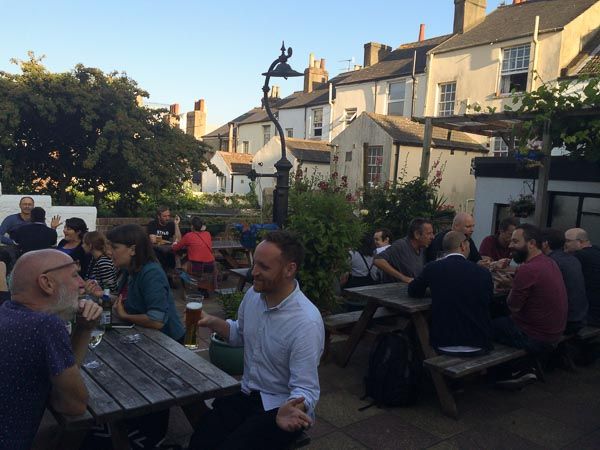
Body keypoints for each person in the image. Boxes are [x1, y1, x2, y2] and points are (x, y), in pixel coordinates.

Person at [189, 231, 324, 450]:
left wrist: (292, 407)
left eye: (264, 267)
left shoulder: (306, 322)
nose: (254, 272)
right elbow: (239, 334)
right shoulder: (253, 295)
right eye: (254, 264)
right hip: (247, 394)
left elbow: (306, 389)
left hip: (278, 408)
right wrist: (212, 321)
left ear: (290, 269)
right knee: (200, 440)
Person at [0, 249, 102, 449]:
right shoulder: (45, 325)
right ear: (47, 283)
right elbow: (73, 405)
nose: (82, 283)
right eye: (74, 275)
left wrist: (83, 328)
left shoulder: (7, 312)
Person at [409, 231, 494, 355]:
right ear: (463, 246)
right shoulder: (483, 273)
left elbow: (413, 290)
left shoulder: (432, 268)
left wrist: (434, 288)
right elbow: (488, 300)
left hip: (444, 342)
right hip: (479, 343)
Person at [493, 224, 567, 353]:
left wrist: (512, 287)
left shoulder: (528, 269)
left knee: (486, 325)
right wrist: (513, 286)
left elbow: (513, 306)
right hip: (554, 331)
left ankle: (501, 371)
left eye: (515, 241)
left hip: (536, 337)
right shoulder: (549, 262)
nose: (510, 245)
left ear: (532, 243)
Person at [106, 224, 185, 341]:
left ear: (132, 250)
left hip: (168, 342)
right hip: (144, 336)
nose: (109, 252)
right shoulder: (129, 269)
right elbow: (125, 300)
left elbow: (157, 320)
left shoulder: (151, 273)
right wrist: (102, 295)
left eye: (114, 247)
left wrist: (125, 316)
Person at [541, 228, 588, 334]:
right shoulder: (573, 259)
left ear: (545, 244)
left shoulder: (551, 262)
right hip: (580, 318)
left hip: (565, 323)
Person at [373, 218, 434, 283]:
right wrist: (404, 278)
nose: (433, 237)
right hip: (395, 291)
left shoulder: (422, 248)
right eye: (429, 233)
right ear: (417, 234)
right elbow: (378, 260)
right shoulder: (400, 245)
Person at [564, 228, 600, 327]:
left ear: (580, 242)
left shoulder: (579, 257)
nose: (564, 244)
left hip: (590, 314)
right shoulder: (596, 250)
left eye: (567, 241)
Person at [172, 216, 216, 295]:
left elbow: (175, 248)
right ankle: (203, 288)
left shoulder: (189, 236)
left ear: (192, 226)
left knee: (179, 268)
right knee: (189, 260)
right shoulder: (208, 234)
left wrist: (175, 243)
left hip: (196, 267)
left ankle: (190, 287)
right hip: (210, 266)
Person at [147, 206, 182, 271]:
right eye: (164, 216)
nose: (167, 218)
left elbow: (178, 240)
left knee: (173, 253)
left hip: (167, 249)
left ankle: (171, 273)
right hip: (155, 249)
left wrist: (176, 225)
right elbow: (153, 240)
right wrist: (168, 242)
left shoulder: (171, 224)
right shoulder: (153, 224)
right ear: (158, 216)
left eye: (168, 216)